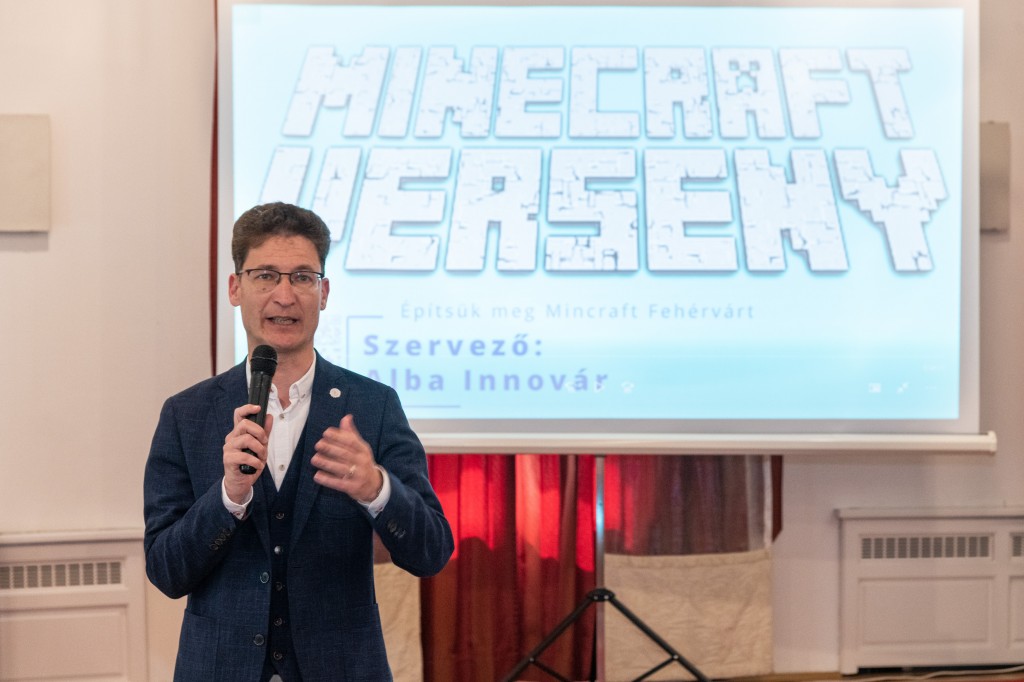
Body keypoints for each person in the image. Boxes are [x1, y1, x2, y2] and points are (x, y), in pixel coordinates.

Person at [144, 202, 453, 682]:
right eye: (266, 276)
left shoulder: (373, 406)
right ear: (235, 288)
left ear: (323, 293)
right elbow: (166, 572)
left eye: (303, 277)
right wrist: (228, 496)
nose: (285, 296)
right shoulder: (187, 414)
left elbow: (430, 552)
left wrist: (377, 489)